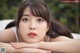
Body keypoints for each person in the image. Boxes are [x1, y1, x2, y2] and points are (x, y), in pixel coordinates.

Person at [0, 0, 80, 53]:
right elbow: (1, 50)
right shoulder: (15, 32)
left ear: (48, 27)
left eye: (39, 20)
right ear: (18, 24)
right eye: (25, 19)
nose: (32, 26)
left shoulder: (52, 38)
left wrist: (40, 45)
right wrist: (19, 50)